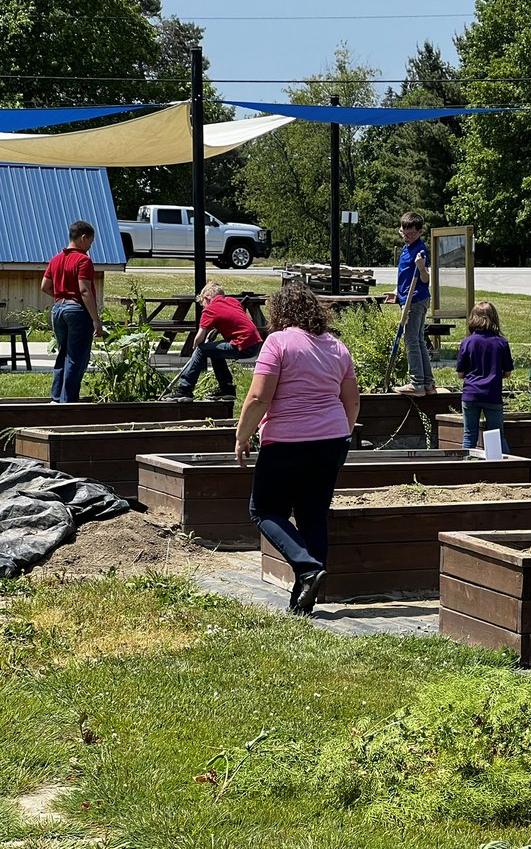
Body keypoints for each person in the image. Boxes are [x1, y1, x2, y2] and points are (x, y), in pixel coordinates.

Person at [236, 281, 360, 616]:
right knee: (313, 516)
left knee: (263, 510)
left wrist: (242, 435)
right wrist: (340, 435)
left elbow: (260, 397)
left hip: (288, 442)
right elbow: (352, 401)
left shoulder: (277, 342)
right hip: (332, 441)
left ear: (280, 312)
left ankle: (306, 568)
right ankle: (302, 603)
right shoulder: (337, 347)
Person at [163, 282, 263, 402]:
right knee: (214, 351)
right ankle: (227, 389)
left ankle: (185, 388)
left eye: (202, 304)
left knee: (202, 349)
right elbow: (232, 319)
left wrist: (196, 350)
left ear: (207, 298)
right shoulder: (232, 301)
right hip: (255, 343)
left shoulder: (210, 309)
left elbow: (199, 338)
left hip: (242, 343)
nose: (203, 307)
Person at [40, 220, 105, 403]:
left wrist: (61, 296)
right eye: (91, 242)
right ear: (83, 238)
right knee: (76, 357)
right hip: (76, 310)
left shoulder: (56, 259)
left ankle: (56, 397)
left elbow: (44, 286)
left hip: (58, 309)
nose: (90, 246)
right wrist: (96, 320)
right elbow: (84, 290)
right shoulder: (83, 260)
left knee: (63, 353)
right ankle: (68, 401)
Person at [383, 211, 433, 396]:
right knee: (418, 341)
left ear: (419, 232)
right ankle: (428, 383)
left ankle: (417, 384)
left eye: (412, 234)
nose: (408, 237)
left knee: (411, 341)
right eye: (405, 233)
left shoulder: (419, 250)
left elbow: (425, 279)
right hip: (408, 297)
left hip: (415, 300)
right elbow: (405, 276)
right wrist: (397, 292)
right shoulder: (407, 246)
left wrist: (421, 267)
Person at [456, 301, 513, 453]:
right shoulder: (501, 343)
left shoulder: (467, 342)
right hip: (492, 395)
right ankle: (506, 469)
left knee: (469, 436)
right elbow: (507, 372)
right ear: (494, 318)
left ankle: (466, 469)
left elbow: (461, 374)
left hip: (470, 395)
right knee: (497, 436)